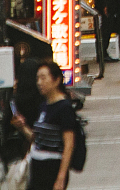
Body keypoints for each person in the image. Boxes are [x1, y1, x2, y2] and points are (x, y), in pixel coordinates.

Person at [13, 61, 80, 190]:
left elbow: (69, 145)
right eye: (37, 78)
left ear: (57, 80)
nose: (39, 82)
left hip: (51, 168)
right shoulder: (44, 106)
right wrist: (22, 127)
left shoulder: (64, 107)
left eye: (43, 78)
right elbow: (37, 138)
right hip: (37, 168)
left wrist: (61, 177)